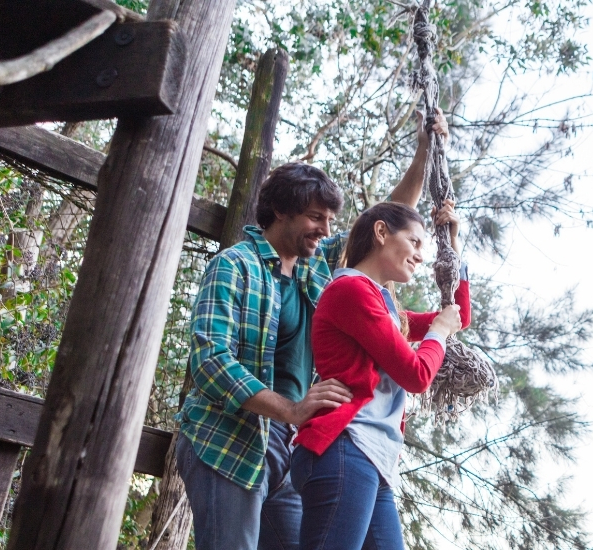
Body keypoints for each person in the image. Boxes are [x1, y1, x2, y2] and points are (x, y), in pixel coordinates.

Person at [175, 112, 448, 550]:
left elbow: (385, 226)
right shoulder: (235, 265)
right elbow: (211, 362)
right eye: (315, 217)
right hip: (230, 442)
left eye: (329, 220)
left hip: (290, 444)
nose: (325, 230)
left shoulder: (316, 269)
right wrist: (291, 409)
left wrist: (424, 152)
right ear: (280, 212)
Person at [291, 200, 470, 550]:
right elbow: (417, 375)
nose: (420, 256)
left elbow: (457, 317)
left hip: (372, 457)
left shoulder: (386, 306)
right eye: (414, 242)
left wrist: (453, 245)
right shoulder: (352, 290)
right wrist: (437, 333)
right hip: (346, 446)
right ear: (381, 232)